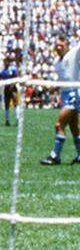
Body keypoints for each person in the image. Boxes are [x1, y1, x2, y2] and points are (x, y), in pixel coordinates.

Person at [40, 35, 80, 165]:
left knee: (59, 124)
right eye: (56, 45)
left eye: (61, 45)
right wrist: (54, 87)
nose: (58, 47)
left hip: (74, 94)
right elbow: (64, 78)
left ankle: (55, 156)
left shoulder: (73, 53)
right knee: (74, 127)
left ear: (67, 45)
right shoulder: (57, 62)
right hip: (65, 95)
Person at [0, 54, 19, 127]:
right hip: (6, 89)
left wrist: (12, 85)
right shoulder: (3, 71)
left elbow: (16, 78)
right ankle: (7, 120)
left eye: (7, 61)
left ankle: (18, 119)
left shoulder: (12, 69)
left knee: (15, 103)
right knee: (7, 104)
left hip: (13, 89)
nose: (6, 63)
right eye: (5, 61)